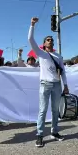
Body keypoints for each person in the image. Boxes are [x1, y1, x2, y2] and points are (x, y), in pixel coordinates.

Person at [28, 17, 69, 147]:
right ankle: (40, 135)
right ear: (44, 44)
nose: (50, 41)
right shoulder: (41, 54)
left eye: (51, 40)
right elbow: (30, 40)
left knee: (55, 110)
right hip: (45, 84)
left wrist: (66, 85)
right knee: (43, 110)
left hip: (57, 85)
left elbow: (63, 72)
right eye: (48, 40)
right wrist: (32, 25)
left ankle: (54, 132)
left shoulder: (59, 56)